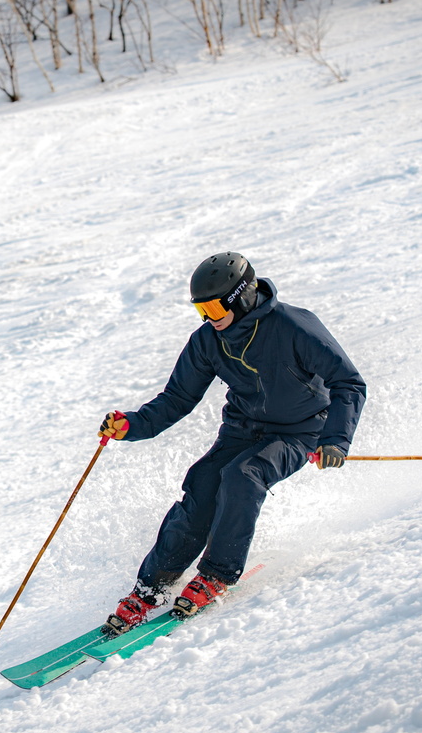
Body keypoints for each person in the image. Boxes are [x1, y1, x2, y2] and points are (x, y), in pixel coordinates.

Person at [98, 252, 367, 633]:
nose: (208, 318)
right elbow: (177, 398)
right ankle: (151, 586)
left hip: (299, 431)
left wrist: (336, 440)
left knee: (243, 476)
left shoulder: (294, 326)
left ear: (241, 297)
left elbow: (349, 383)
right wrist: (133, 425)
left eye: (213, 307)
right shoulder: (208, 340)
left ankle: (217, 574)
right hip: (242, 429)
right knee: (203, 483)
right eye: (201, 310)